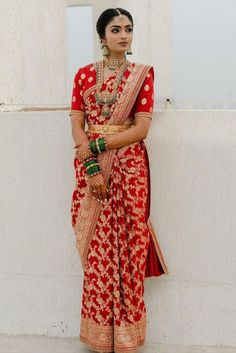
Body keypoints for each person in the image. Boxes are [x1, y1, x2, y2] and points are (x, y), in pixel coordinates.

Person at [69, 7, 169, 353]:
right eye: (115, 29)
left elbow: (141, 128)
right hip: (91, 170)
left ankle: (126, 338)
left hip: (129, 171)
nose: (123, 35)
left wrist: (98, 144)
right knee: (98, 253)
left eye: (128, 28)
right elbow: (76, 122)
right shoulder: (83, 76)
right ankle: (98, 337)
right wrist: (92, 166)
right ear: (102, 36)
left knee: (129, 248)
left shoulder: (141, 75)